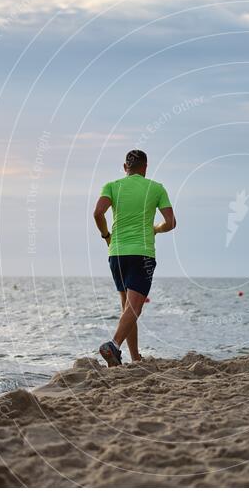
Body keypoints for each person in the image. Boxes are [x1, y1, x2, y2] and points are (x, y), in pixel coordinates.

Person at [93, 149, 176, 366]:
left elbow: (98, 213)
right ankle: (113, 345)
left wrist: (106, 236)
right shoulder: (156, 188)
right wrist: (156, 229)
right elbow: (171, 222)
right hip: (142, 254)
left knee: (127, 309)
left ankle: (134, 357)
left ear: (125, 168)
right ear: (145, 167)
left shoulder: (111, 186)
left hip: (116, 254)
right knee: (135, 308)